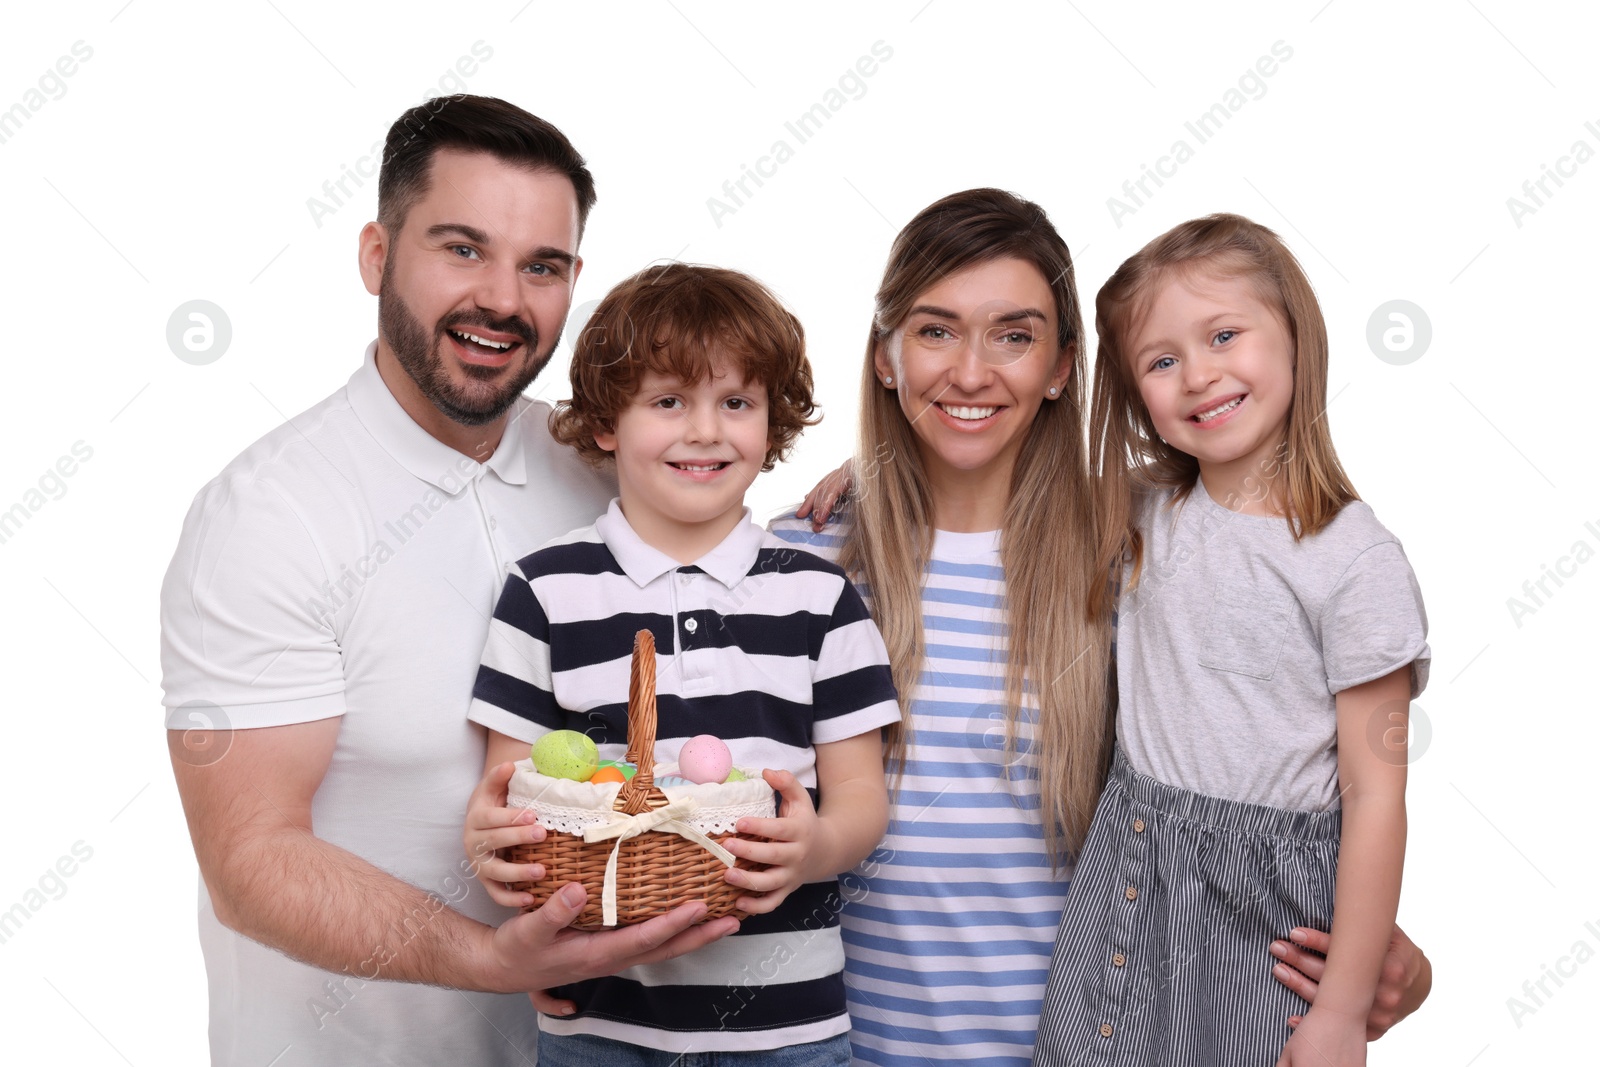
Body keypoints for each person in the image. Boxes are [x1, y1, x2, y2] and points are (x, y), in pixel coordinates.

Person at [784, 189, 1434, 1066]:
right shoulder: (797, 564)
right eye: (935, 331)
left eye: (1013, 335)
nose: (971, 372)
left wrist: (1377, 972)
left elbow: (1284, 761)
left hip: (1102, 1029)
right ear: (886, 357)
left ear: (1062, 367)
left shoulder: (1122, 543)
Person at [160, 96, 735, 1067]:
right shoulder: (268, 515)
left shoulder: (601, 474)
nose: (503, 299)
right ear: (377, 255)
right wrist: (488, 955)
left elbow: (746, 567)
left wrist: (844, 498)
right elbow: (250, 861)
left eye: (540, 265)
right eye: (462, 248)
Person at [463, 263, 900, 1065]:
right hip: (601, 1023)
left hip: (787, 1028)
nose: (705, 431)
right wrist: (496, 847)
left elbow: (862, 797)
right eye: (669, 401)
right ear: (605, 423)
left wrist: (815, 846)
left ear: (772, 423)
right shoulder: (546, 589)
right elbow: (518, 791)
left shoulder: (818, 595)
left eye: (736, 402)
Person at [1032, 215, 1428, 1067]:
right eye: (1162, 360)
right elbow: (1000, 473)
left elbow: (1375, 797)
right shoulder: (1140, 513)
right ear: (1137, 395)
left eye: (1223, 335)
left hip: (1268, 912)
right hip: (1128, 877)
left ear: (1294, 331)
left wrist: (1343, 1008)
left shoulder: (1354, 561)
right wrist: (866, 473)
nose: (1199, 374)